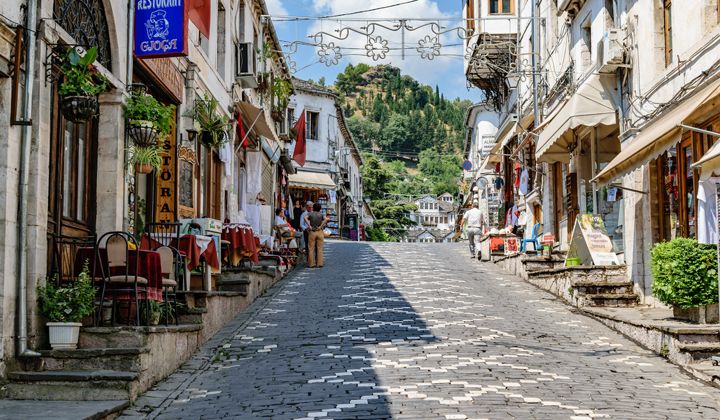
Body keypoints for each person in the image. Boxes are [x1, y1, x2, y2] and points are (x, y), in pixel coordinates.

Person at [305, 203, 328, 268]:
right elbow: (326, 219)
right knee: (320, 248)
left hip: (312, 232)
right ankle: (320, 263)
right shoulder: (321, 214)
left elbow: (305, 218)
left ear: (313, 208)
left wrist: (309, 225)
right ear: (320, 208)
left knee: (311, 248)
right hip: (319, 231)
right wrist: (321, 226)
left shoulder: (310, 214)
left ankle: (311, 264)